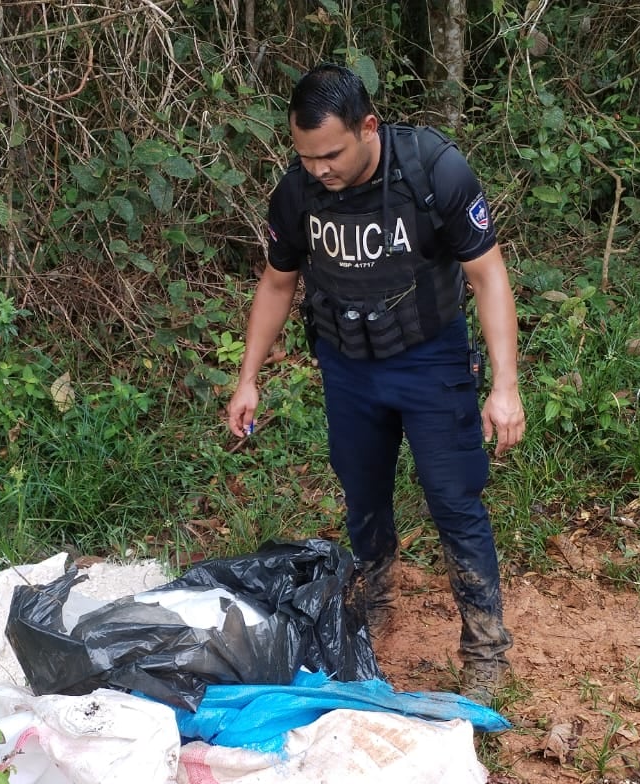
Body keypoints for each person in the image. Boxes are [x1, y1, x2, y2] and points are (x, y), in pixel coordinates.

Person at [224, 63, 525, 705]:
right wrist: (248, 378)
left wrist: (505, 386)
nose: (320, 169)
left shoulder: (433, 170)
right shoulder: (298, 193)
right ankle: (377, 600)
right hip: (346, 363)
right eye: (305, 157)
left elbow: (488, 276)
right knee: (362, 493)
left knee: (455, 499)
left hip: (429, 359)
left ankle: (485, 645)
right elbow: (278, 283)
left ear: (368, 126)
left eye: (331, 153)